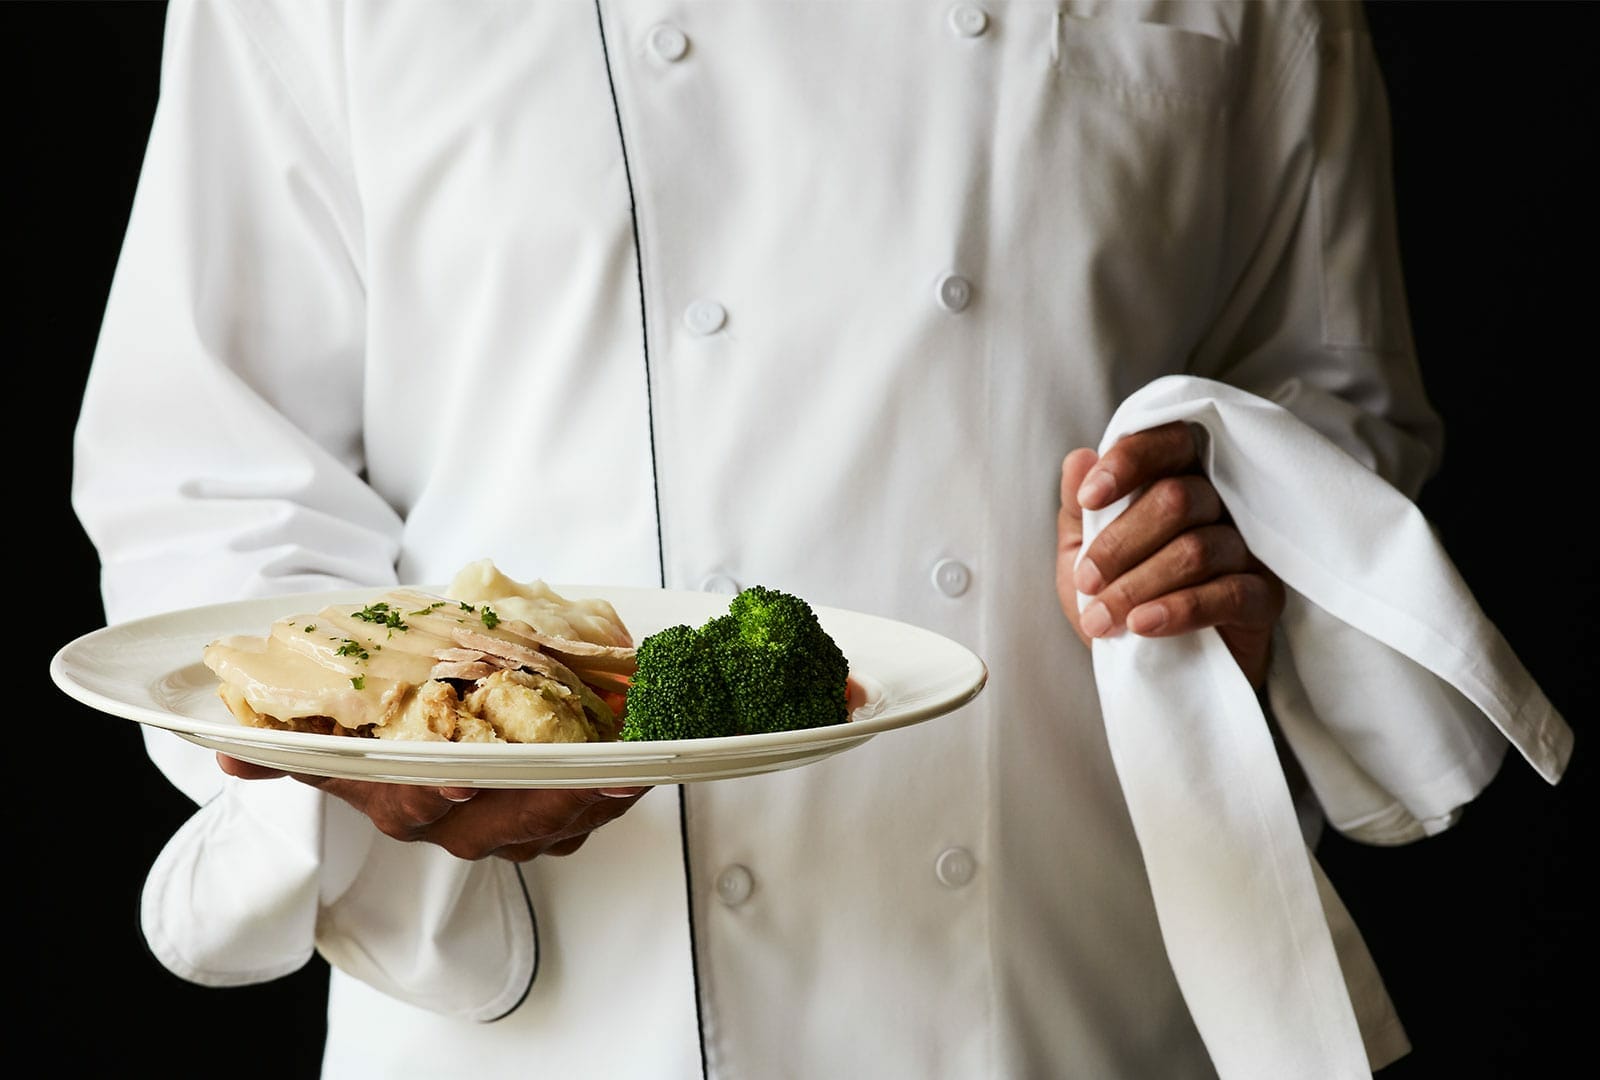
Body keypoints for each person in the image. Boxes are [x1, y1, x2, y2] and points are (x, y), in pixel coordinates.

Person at [70, 1, 1570, 1077]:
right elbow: (211, 470)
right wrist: (381, 768)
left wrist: (1251, 567)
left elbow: (1338, 407)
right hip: (556, 1006)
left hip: (1069, 988)